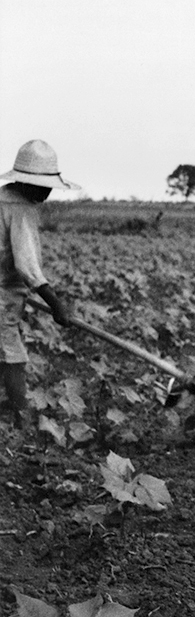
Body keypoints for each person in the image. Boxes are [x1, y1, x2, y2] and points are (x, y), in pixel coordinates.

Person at [1, 140, 80, 430]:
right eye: (43, 185)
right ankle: (22, 416)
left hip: (5, 292)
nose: (47, 192)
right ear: (27, 182)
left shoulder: (2, 198)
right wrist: (56, 303)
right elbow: (26, 264)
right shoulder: (20, 209)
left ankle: (5, 409)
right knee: (13, 354)